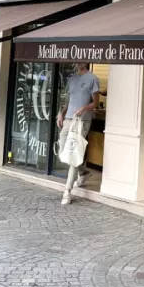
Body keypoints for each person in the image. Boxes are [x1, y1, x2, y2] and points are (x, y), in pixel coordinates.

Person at [56, 63, 100, 205]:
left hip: (82, 121)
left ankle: (67, 191)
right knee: (62, 151)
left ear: (86, 61)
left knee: (73, 153)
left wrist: (84, 108)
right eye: (76, 61)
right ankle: (83, 172)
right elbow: (68, 100)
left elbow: (95, 102)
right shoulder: (72, 79)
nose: (77, 63)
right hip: (68, 119)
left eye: (80, 60)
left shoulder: (92, 78)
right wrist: (61, 113)